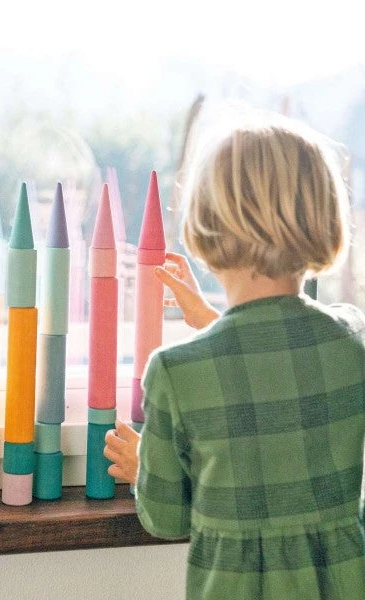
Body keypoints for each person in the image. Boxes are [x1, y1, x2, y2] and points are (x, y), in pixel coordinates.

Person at [104, 110, 365, 599]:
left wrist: (143, 468)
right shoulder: (352, 340)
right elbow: (279, 359)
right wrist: (209, 319)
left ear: (204, 225)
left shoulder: (176, 371)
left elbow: (166, 519)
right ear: (325, 221)